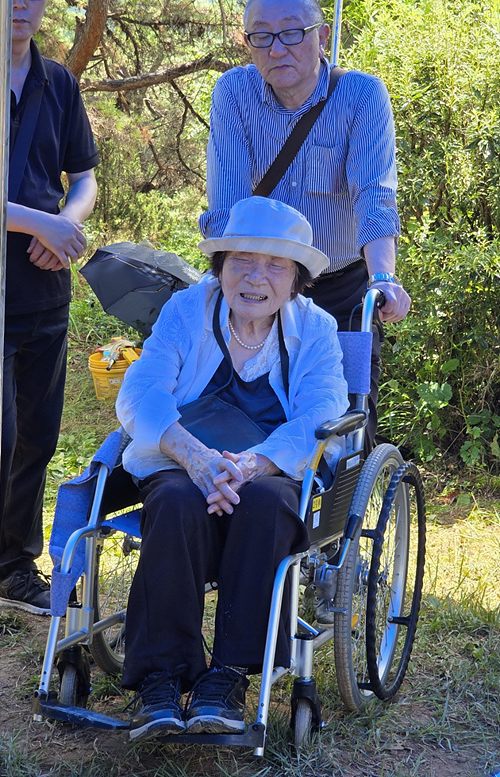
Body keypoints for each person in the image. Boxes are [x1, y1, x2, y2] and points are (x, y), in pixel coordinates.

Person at [115, 196, 349, 740]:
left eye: (275, 264)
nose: (256, 276)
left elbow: (322, 410)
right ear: (219, 267)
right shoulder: (186, 310)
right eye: (242, 259)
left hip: (268, 469)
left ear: (296, 280)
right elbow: (142, 389)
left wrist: (252, 464)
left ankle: (228, 676)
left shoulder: (315, 329)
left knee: (268, 504)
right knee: (174, 500)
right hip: (181, 460)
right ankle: (163, 678)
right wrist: (195, 458)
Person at [198, 0, 412, 451]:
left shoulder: (361, 97)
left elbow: (373, 197)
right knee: (243, 413)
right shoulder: (234, 93)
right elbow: (227, 207)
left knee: (344, 423)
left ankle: (340, 515)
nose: (278, 48)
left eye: (293, 32)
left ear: (323, 36)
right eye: (263, 35)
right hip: (257, 281)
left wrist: (383, 276)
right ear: (247, 43)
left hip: (338, 287)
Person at [0, 0, 98, 615]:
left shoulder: (57, 80)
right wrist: (42, 222)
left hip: (43, 289)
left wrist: (69, 222)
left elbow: (85, 174)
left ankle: (13, 569)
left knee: (37, 433)